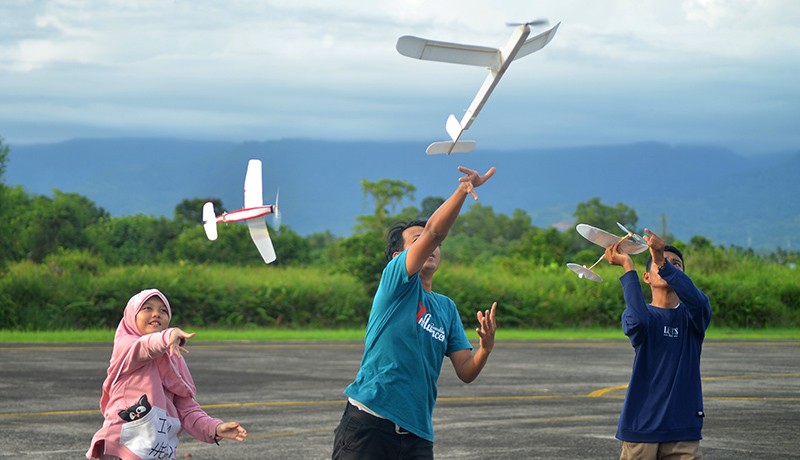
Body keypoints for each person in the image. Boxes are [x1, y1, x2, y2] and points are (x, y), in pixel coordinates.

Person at [332, 165, 499, 460]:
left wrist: (485, 348)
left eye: (431, 243)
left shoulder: (446, 307)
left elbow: (466, 372)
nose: (430, 246)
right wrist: (463, 190)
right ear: (399, 256)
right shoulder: (396, 282)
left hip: (417, 436)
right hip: (370, 425)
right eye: (417, 241)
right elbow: (435, 233)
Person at [87, 289, 247, 460]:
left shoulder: (173, 358)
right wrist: (168, 335)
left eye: (163, 310)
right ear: (131, 316)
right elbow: (145, 346)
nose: (156, 314)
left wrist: (215, 428)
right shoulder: (126, 347)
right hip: (122, 448)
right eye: (147, 308)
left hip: (158, 450)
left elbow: (187, 409)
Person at [603, 229, 712, 460]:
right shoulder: (640, 314)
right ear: (647, 277)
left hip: (683, 428)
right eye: (659, 263)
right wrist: (628, 267)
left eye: (676, 265)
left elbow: (700, 302)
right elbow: (638, 321)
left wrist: (661, 261)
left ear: (681, 277)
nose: (667, 266)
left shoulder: (693, 318)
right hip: (641, 426)